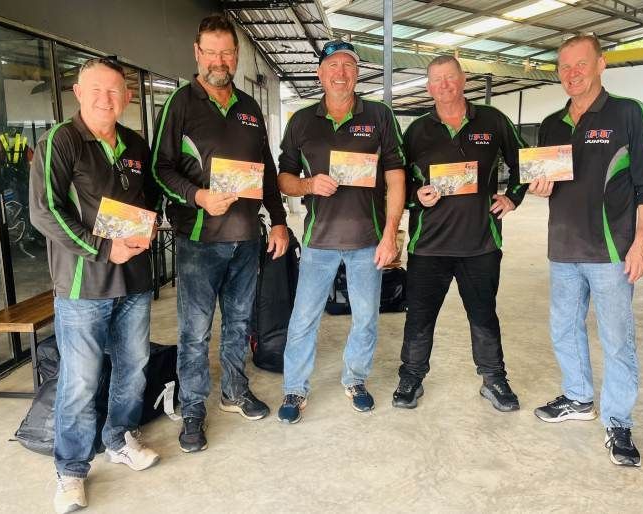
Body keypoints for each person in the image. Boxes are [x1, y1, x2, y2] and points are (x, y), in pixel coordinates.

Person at [151, 15, 288, 453]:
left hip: (247, 237)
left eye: (227, 52)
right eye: (211, 52)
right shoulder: (180, 103)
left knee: (238, 324)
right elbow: (160, 168)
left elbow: (265, 170)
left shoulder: (249, 107)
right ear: (197, 53)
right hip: (198, 240)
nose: (219, 60)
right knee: (194, 332)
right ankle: (193, 409)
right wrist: (198, 196)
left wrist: (279, 218)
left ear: (237, 55)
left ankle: (233, 391)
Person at [30, 57, 160, 513]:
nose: (107, 98)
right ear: (78, 93)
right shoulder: (59, 142)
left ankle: (119, 439)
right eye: (97, 90)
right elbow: (44, 211)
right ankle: (70, 470)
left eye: (115, 91)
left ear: (126, 97)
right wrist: (103, 249)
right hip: (84, 285)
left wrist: (149, 226)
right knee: (80, 381)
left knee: (133, 366)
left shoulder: (135, 143)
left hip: (135, 280)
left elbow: (148, 201)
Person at [529, 35, 643, 467]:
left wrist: (642, 241)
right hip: (563, 249)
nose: (572, 74)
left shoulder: (628, 113)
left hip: (611, 253)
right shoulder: (551, 123)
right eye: (564, 67)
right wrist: (537, 187)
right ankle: (578, 397)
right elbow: (544, 184)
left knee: (617, 340)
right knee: (564, 329)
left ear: (600, 64)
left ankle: (618, 420)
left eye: (580, 64)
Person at [275, 40, 405, 423]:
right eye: (333, 66)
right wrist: (308, 185)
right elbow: (283, 178)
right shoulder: (300, 121)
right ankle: (295, 388)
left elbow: (396, 177)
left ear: (357, 74)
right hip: (319, 243)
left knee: (366, 318)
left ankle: (355, 379)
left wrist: (391, 235)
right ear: (320, 74)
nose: (341, 73)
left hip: (369, 242)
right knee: (303, 320)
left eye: (348, 66)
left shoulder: (380, 116)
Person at [392, 55, 526, 412]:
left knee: (483, 313)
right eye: (437, 81)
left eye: (450, 78)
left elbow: (525, 160)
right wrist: (413, 197)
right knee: (419, 315)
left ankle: (494, 378)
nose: (445, 86)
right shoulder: (417, 130)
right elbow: (396, 179)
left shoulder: (493, 121)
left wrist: (513, 197)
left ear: (463, 79)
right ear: (429, 87)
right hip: (429, 245)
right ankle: (411, 377)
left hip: (480, 242)